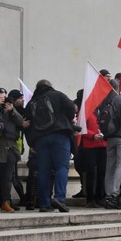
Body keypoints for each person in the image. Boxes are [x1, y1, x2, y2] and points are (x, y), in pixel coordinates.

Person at [25, 78, 76, 213]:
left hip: (40, 139)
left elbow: (27, 125)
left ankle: (44, 204)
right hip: (60, 134)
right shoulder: (58, 95)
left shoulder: (31, 103)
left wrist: (32, 143)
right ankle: (59, 198)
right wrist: (69, 117)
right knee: (61, 167)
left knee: (43, 171)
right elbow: (71, 108)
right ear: (50, 86)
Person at [100, 78, 121, 209]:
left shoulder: (104, 101)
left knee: (110, 166)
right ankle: (114, 195)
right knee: (120, 165)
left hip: (109, 137)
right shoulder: (120, 99)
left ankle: (108, 195)